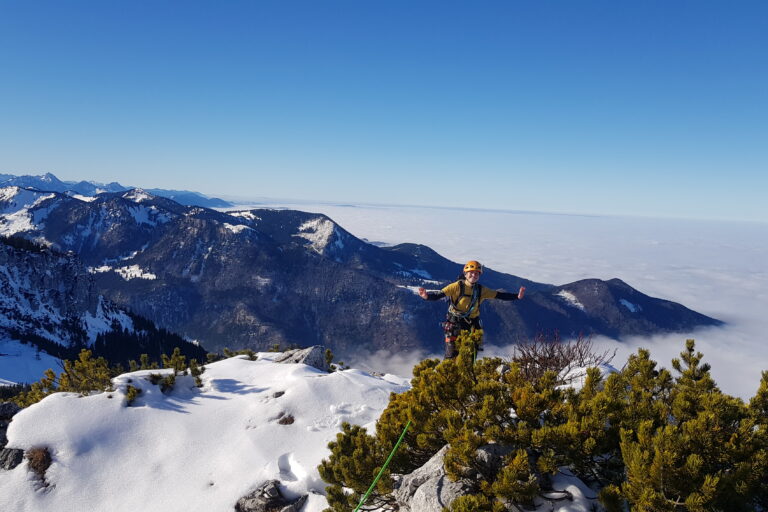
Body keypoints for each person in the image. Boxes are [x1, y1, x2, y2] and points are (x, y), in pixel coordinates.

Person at [418, 260, 525, 359]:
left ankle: (466, 377)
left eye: (477, 273)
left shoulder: (481, 290)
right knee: (451, 355)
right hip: (455, 323)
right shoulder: (456, 286)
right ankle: (448, 376)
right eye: (471, 272)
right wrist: (426, 296)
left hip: (472, 324)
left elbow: (499, 295)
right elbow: (439, 295)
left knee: (470, 356)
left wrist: (517, 296)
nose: (474, 275)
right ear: (465, 273)